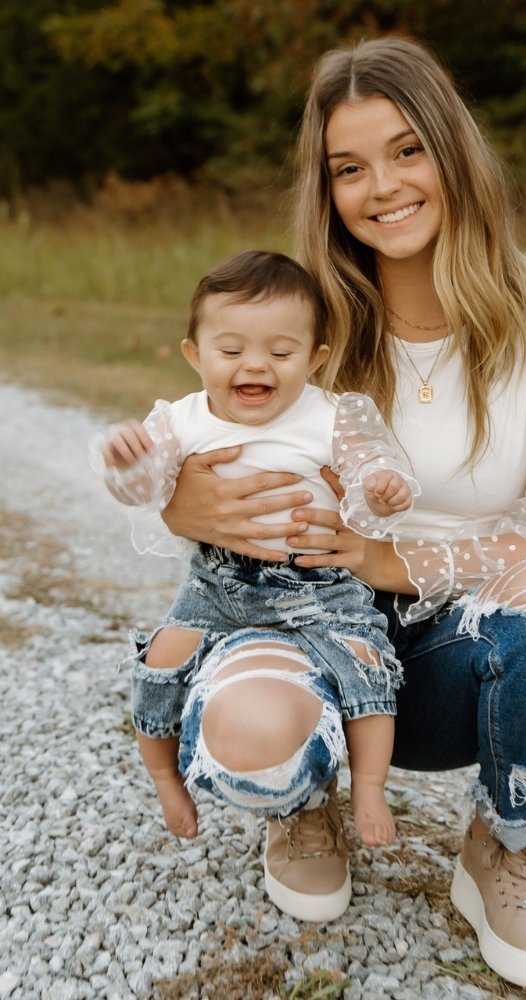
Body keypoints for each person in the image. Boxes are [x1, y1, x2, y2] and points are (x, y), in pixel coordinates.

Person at [159, 38, 526, 990]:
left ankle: (503, 842)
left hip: (460, 658)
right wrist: (181, 504)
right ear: (326, 188)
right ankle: (305, 797)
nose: (383, 186)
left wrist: (384, 559)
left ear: (454, 154)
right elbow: (187, 445)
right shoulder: (306, 323)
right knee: (253, 731)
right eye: (349, 167)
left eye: (407, 151)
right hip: (312, 635)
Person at [91, 249, 420, 873]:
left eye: (280, 351)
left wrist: (381, 484)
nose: (255, 365)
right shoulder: (181, 420)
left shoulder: (331, 414)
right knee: (162, 659)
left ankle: (368, 787)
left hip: (322, 586)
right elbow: (146, 492)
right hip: (219, 583)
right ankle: (165, 776)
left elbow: (371, 471)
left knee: (367, 665)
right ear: (195, 354)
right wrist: (126, 463)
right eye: (232, 349)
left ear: (315, 358)